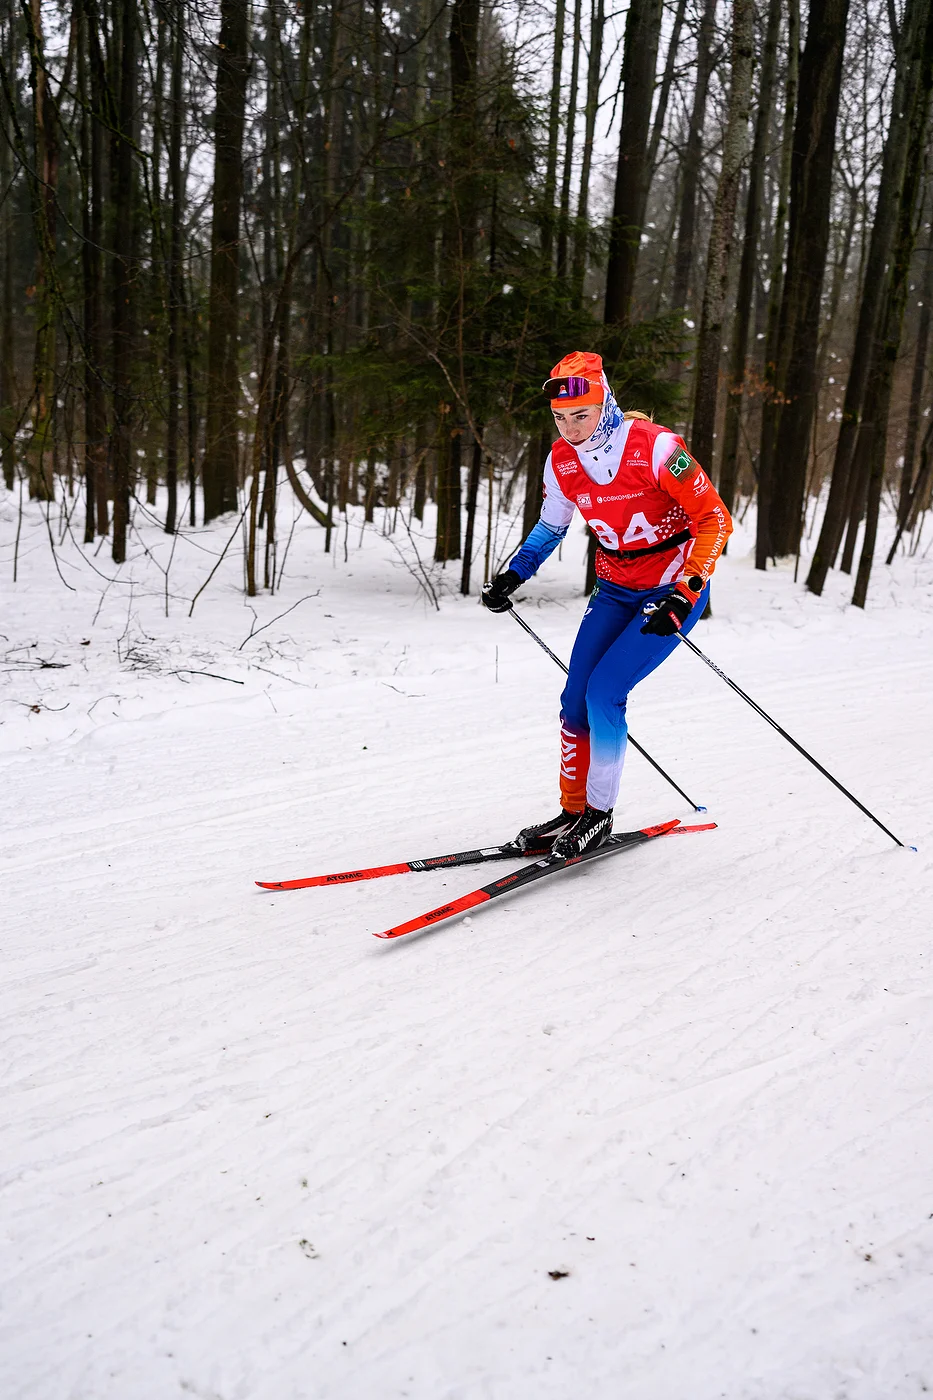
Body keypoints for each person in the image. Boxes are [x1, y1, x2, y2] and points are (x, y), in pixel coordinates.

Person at [482, 350, 733, 857]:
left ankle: (599, 814)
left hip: (670, 587)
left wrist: (685, 593)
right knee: (574, 701)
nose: (570, 429)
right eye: (560, 418)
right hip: (616, 587)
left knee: (604, 693)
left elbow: (715, 519)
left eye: (581, 415)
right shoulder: (561, 461)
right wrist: (515, 572)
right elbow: (551, 527)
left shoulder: (658, 448)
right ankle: (572, 812)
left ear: (605, 405)